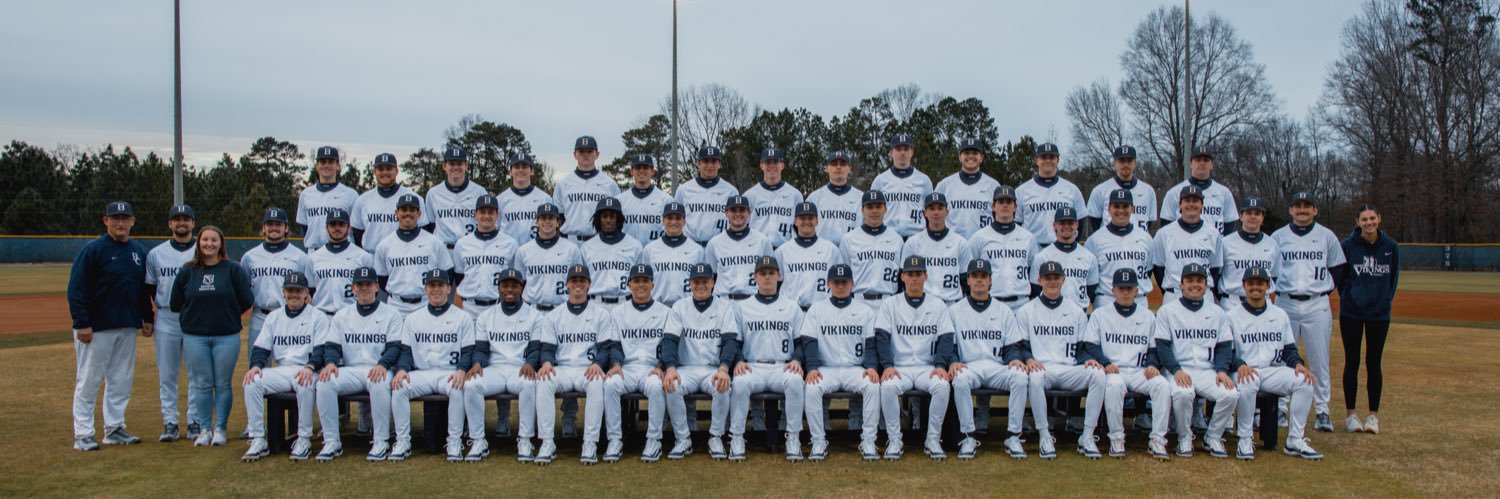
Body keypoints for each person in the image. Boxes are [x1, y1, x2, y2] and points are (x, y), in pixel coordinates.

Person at [69, 200, 152, 451]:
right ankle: (83, 433)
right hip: (96, 328)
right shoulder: (93, 250)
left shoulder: (138, 251)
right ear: (106, 221)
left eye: (125, 218)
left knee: (120, 380)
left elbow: (142, 289)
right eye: (115, 218)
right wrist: (82, 322)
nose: (120, 222)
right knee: (89, 379)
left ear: (132, 221)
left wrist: (147, 317)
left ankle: (114, 428)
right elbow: (76, 289)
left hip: (126, 326)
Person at [171, 225, 254, 448]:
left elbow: (246, 299)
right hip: (195, 336)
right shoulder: (187, 270)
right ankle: (204, 428)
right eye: (205, 240)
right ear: (199, 243)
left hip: (226, 336)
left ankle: (221, 429)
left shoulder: (233, 269)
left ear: (221, 244)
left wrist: (225, 314)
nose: (209, 244)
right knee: (202, 384)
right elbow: (176, 302)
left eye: (213, 240)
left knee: (223, 383)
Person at [1227, 267, 1322, 460]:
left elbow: (1289, 349)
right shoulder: (1231, 316)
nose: (1256, 287)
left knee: (1305, 381)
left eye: (1260, 283)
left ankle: (1295, 439)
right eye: (1251, 283)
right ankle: (1245, 438)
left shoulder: (1279, 314)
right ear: (1243, 286)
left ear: (1268, 286)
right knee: (1249, 380)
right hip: (1242, 370)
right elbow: (1226, 352)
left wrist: (1297, 364)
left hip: (1271, 371)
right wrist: (1239, 365)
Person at [1013, 261, 1105, 460]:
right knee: (1035, 378)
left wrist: (1088, 360)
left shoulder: (1076, 311)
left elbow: (1081, 349)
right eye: (1048, 278)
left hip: (1069, 368)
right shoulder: (1026, 311)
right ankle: (1044, 435)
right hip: (1042, 369)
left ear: (1063, 280)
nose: (1052, 281)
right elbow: (1022, 346)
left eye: (1056, 278)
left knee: (1098, 374)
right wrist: (1028, 359)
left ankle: (1088, 436)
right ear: (1039, 280)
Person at [1271, 192, 1347, 432]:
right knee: (1281, 357)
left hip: (1317, 302)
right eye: (1297, 206)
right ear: (1290, 210)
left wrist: (1320, 289)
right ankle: (1282, 407)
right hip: (1285, 301)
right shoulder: (1278, 237)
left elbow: (1338, 270)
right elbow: (1270, 271)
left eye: (1307, 206)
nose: (1302, 210)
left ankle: (1322, 410)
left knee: (1319, 359)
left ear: (1315, 210)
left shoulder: (1327, 236)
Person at [313, 267, 402, 461]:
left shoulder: (391, 313)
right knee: (324, 382)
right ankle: (331, 441)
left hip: (379, 368)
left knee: (379, 383)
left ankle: (381, 440)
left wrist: (383, 364)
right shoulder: (342, 315)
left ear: (377, 286)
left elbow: (394, 347)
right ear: (353, 287)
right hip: (352, 370)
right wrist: (330, 363)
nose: (364, 288)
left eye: (368, 284)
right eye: (360, 284)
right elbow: (332, 346)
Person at [1082, 269, 1173, 459]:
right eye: (1121, 288)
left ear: (1136, 291)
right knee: (1114, 387)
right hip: (1114, 371)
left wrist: (1152, 364)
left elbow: (1154, 348)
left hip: (1140, 371)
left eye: (1129, 288)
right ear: (1113, 290)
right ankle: (1116, 438)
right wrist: (1105, 362)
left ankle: (1158, 439)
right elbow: (1090, 344)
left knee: (1162, 385)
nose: (1125, 292)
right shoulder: (1100, 314)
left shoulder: (1148, 316)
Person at [872, 256, 955, 460]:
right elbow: (882, 338)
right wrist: (888, 365)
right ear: (902, 277)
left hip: (927, 367)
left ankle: (933, 438)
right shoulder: (890, 304)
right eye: (910, 274)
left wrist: (941, 364)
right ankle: (894, 439)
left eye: (918, 274)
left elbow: (946, 338)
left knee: (942, 386)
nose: (914, 278)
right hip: (900, 367)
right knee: (888, 387)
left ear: (926, 276)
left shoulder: (938, 305)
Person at [1152, 263, 1238, 458]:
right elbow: (1162, 346)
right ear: (1181, 284)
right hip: (1178, 369)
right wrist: (1176, 370)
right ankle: (1184, 436)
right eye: (1190, 280)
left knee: (1231, 394)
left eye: (1199, 280)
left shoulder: (1217, 312)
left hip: (1208, 370)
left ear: (1206, 285)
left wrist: (1222, 371)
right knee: (1183, 393)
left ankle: (1213, 436)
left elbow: (1225, 346)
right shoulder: (1168, 311)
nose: (1194, 284)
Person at [947, 259, 1030, 460]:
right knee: (959, 379)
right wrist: (953, 360)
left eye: (983, 276)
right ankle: (967, 435)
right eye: (975, 276)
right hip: (970, 366)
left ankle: (1013, 435)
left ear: (990, 280)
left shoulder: (1004, 310)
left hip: (996, 367)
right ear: (968, 280)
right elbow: (949, 344)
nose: (979, 281)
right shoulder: (955, 310)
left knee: (1019, 376)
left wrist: (1015, 359)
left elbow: (1012, 346)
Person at [660, 263, 744, 460]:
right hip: (686, 368)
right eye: (696, 282)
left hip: (712, 368)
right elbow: (669, 341)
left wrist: (724, 368)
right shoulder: (680, 306)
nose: (701, 285)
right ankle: (683, 439)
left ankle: (715, 436)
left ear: (713, 283)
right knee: (671, 384)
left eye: (705, 281)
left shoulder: (724, 307)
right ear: (690, 283)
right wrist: (670, 369)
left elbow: (730, 341)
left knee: (722, 385)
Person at [240, 272, 327, 462]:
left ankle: (303, 438)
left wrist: (311, 367)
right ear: (283, 292)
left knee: (304, 385)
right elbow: (261, 347)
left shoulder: (318, 316)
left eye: (298, 290)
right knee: (251, 381)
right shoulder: (274, 317)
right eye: (289, 290)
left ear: (306, 293)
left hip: (307, 369)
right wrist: (255, 366)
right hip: (282, 369)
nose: (293, 294)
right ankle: (257, 438)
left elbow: (321, 350)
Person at [533, 264, 615, 465]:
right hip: (562, 369)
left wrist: (598, 363)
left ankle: (590, 442)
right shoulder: (554, 315)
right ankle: (547, 442)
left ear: (589, 285)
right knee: (543, 381)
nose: (578, 284)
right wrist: (546, 363)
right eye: (574, 281)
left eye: (582, 281)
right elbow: (547, 348)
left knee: (597, 383)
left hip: (586, 369)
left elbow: (605, 348)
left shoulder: (601, 313)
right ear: (567, 284)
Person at [799, 264, 881, 461]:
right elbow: (809, 342)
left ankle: (869, 440)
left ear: (852, 284)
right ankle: (818, 440)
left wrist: (871, 366)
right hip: (827, 369)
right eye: (836, 282)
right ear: (829, 284)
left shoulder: (865, 310)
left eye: (844, 282)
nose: (841, 286)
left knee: (872, 385)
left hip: (855, 368)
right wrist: (811, 368)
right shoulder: (817, 310)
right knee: (811, 388)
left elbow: (870, 345)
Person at [388, 269, 473, 462]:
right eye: (432, 286)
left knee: (458, 388)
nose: (436, 290)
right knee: (399, 387)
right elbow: (406, 352)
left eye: (440, 285)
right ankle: (403, 441)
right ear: (425, 289)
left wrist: (461, 370)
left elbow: (468, 351)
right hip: (423, 373)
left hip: (449, 373)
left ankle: (454, 440)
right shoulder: (412, 318)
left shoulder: (463, 317)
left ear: (449, 288)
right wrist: (401, 370)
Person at [599, 265, 681, 462]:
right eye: (636, 281)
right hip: (627, 368)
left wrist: (661, 366)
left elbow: (669, 344)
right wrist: (616, 364)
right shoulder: (618, 312)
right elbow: (615, 343)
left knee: (655, 386)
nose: (641, 284)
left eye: (645, 281)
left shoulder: (665, 311)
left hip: (652, 369)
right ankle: (615, 439)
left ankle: (654, 439)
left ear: (653, 284)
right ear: (629, 285)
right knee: (610, 384)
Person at [461, 268, 543, 462]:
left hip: (519, 368)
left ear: (522, 288)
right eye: (505, 285)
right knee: (472, 384)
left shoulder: (534, 315)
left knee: (529, 384)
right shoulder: (486, 316)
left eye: (515, 285)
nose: (509, 289)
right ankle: (478, 439)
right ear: (498, 287)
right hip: (495, 369)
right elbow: (481, 348)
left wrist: (531, 362)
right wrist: (478, 363)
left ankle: (525, 439)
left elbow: (535, 348)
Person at [730, 257, 807, 461]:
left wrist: (797, 360)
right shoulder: (742, 307)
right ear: (755, 277)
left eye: (771, 273)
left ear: (779, 276)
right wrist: (738, 360)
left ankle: (793, 437)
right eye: (762, 273)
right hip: (752, 366)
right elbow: (734, 342)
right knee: (739, 384)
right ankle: (737, 437)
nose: (767, 277)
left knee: (795, 381)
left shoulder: (792, 306)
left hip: (781, 366)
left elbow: (801, 342)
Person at [1336, 203, 1399, 435]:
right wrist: (1351, 299)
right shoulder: (1348, 246)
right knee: (1352, 362)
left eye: (1372, 218)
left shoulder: (1391, 247)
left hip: (1379, 315)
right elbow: (1341, 280)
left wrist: (1382, 302)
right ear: (1357, 222)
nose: (1369, 223)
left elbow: (1392, 280)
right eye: (1364, 219)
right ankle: (1351, 415)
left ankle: (1373, 416)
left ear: (1379, 218)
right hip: (1351, 313)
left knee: (1374, 363)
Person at [144, 204, 199, 442]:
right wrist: (148, 317)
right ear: (169, 224)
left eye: (186, 219)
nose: (182, 223)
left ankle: (195, 421)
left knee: (197, 373)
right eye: (177, 219)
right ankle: (170, 422)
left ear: (193, 224)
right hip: (167, 316)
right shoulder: (156, 254)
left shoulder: (202, 250)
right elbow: (149, 288)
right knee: (167, 373)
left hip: (196, 316)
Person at [241, 207, 313, 365]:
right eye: (270, 224)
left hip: (290, 317)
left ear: (286, 228)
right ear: (264, 227)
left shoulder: (300, 257)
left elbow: (309, 291)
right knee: (257, 368)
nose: (274, 228)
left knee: (292, 367)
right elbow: (243, 290)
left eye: (278, 224)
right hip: (260, 316)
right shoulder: (249, 257)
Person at [373, 194, 455, 316]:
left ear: (419, 214)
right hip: (396, 306)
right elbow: (381, 278)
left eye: (412, 210)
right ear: (396, 213)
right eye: (404, 210)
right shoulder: (385, 245)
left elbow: (447, 273)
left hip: (426, 303)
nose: (408, 213)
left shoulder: (434, 242)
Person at [966, 185, 1038, 312]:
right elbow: (969, 272)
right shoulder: (979, 237)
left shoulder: (1028, 238)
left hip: (1021, 304)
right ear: (993, 206)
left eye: (1009, 202)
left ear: (1015, 207)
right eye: (1001, 202)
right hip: (991, 303)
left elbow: (1034, 275)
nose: (1005, 205)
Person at [1150, 185, 1225, 303]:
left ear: (1202, 205)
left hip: (1204, 295)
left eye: (1195, 200)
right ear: (1180, 204)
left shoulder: (1213, 233)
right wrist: (1169, 291)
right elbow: (1158, 267)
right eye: (1187, 200)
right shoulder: (1164, 233)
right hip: (1174, 294)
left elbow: (1215, 268)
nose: (1191, 204)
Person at [1084, 190, 1154, 310]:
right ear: (1109, 209)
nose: (1121, 210)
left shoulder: (1145, 238)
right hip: (1106, 300)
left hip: (1139, 300)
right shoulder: (1094, 240)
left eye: (1125, 206)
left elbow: (1148, 270)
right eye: (1116, 206)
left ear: (1132, 208)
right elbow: (1090, 278)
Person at [451, 195, 518, 318]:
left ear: (497, 215)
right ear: (475, 214)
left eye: (491, 212)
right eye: (482, 212)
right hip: (469, 307)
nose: (486, 216)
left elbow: (516, 279)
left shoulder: (510, 243)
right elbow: (459, 278)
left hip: (498, 306)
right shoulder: (462, 244)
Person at [900, 193, 972, 304]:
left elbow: (966, 281)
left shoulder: (960, 243)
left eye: (940, 208)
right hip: (922, 304)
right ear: (925, 213)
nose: (936, 212)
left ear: (947, 212)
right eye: (932, 209)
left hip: (950, 303)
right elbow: (903, 279)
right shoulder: (913, 243)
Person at [775, 202, 847, 309]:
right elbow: (775, 283)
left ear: (817, 221)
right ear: (795, 221)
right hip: (790, 311)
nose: (806, 221)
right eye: (802, 218)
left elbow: (841, 282)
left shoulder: (831, 250)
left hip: (823, 310)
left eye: (810, 218)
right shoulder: (782, 251)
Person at [351, 152, 430, 248]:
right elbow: (357, 232)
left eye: (389, 168)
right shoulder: (363, 200)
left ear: (396, 171)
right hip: (372, 256)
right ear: (374, 172)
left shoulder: (414, 198)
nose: (385, 172)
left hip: (404, 255)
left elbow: (424, 230)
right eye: (380, 169)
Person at [513, 203, 582, 313]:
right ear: (537, 221)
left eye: (551, 218)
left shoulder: (571, 249)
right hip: (532, 310)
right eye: (543, 218)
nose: (547, 222)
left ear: (558, 222)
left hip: (562, 309)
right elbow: (520, 284)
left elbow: (578, 283)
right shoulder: (524, 251)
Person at [704, 195, 774, 300]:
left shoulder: (762, 241)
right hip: (725, 301)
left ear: (749, 213)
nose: (738, 214)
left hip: (754, 301)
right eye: (733, 210)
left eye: (742, 210)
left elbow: (770, 275)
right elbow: (711, 276)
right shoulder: (714, 243)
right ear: (726, 213)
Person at [1016, 143, 1086, 246]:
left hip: (1062, 248)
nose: (1048, 160)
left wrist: (1071, 244)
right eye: (1044, 157)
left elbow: (1080, 220)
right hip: (1033, 249)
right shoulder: (1022, 191)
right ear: (1037, 160)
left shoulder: (1071, 189)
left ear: (1057, 160)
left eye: (1052, 157)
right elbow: (1016, 223)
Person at [425, 145, 489, 258]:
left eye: (459, 163)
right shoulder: (433, 193)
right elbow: (431, 225)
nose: (456, 167)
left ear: (466, 166)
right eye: (452, 163)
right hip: (443, 251)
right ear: (444, 166)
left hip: (471, 250)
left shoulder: (479, 192)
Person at [841, 190, 902, 308]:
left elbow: (901, 276)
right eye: (869, 207)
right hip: (858, 300)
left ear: (885, 209)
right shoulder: (849, 239)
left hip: (888, 301)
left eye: (878, 206)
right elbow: (844, 275)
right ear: (862, 210)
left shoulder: (896, 239)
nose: (874, 211)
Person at [307, 208, 373, 316]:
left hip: (352, 316)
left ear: (349, 227)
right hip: (323, 316)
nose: (337, 228)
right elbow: (310, 290)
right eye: (333, 224)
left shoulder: (363, 257)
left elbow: (371, 290)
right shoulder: (313, 258)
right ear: (326, 228)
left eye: (341, 224)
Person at [1029, 207, 1098, 310]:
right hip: (1049, 313)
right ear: (1054, 225)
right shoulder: (1042, 257)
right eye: (1062, 223)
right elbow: (1035, 290)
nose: (1066, 226)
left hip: (1080, 313)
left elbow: (1091, 289)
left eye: (1070, 223)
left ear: (1077, 225)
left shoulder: (1089, 257)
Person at [555, 135, 621, 242]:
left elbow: (617, 217)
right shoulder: (563, 184)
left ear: (597, 154)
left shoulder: (609, 184)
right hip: (570, 241)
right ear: (574, 154)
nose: (585, 155)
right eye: (581, 151)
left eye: (590, 151)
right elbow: (558, 217)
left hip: (599, 240)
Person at [868, 133, 933, 238]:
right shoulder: (880, 180)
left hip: (916, 236)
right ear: (891, 152)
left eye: (906, 149)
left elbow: (930, 213)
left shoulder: (924, 180)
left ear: (912, 152)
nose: (902, 153)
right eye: (898, 149)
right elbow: (871, 212)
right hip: (887, 236)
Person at [1219, 198, 1280, 310]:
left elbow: (1274, 277)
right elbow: (1216, 274)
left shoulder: (1272, 244)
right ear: (1241, 216)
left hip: (1263, 303)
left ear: (1262, 218)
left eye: (1257, 213)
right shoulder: (1225, 243)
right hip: (1232, 303)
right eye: (1248, 213)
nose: (1253, 217)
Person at [581, 197, 642, 309]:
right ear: (598, 219)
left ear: (618, 219)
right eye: (604, 216)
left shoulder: (635, 246)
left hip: (625, 303)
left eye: (612, 216)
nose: (608, 220)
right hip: (595, 304)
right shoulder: (587, 247)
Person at [1159, 148, 1238, 235]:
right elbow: (1166, 225)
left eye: (1206, 160)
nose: (1202, 163)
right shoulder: (1174, 193)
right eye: (1198, 160)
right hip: (1183, 245)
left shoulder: (1224, 193)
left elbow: (1229, 225)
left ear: (1212, 164)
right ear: (1190, 164)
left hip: (1215, 245)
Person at [639, 202, 704, 307]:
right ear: (663, 220)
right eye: (669, 218)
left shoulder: (697, 250)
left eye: (678, 218)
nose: (673, 222)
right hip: (657, 306)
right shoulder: (650, 249)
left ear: (684, 221)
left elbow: (702, 282)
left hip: (688, 307)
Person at [935, 137, 1001, 238]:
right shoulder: (945, 185)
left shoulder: (993, 186)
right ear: (960, 157)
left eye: (975, 153)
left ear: (981, 157)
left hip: (985, 242)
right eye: (966, 153)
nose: (971, 156)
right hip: (952, 244)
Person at [297, 146, 359, 251]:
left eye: (330, 162)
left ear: (338, 166)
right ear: (317, 165)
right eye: (323, 162)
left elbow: (357, 229)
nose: (326, 165)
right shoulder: (306, 194)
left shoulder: (350, 194)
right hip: (314, 251)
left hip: (345, 251)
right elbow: (305, 227)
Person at [675, 145, 740, 245]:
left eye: (713, 161)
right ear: (698, 164)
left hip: (721, 246)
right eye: (705, 161)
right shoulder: (684, 190)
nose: (710, 165)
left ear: (719, 164)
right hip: (690, 246)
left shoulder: (731, 191)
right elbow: (676, 219)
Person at [1085, 145, 1157, 234]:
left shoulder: (1148, 191)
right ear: (1115, 163)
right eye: (1122, 160)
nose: (1126, 164)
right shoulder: (1100, 190)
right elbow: (1094, 223)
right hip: (1109, 243)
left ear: (1135, 163)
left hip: (1139, 244)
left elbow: (1149, 222)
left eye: (1129, 160)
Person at [745, 147, 803, 247]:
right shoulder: (749, 195)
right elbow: (742, 225)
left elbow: (800, 228)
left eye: (775, 162)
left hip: (785, 249)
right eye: (768, 162)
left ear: (782, 165)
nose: (772, 166)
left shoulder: (795, 195)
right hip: (757, 249)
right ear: (761, 165)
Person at [804, 151, 863, 246]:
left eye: (843, 164)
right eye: (834, 164)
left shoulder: (861, 198)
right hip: (822, 252)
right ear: (826, 168)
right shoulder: (814, 198)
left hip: (852, 250)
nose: (838, 167)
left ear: (849, 169)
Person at [615, 153, 673, 245]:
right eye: (638, 167)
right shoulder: (620, 200)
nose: (641, 171)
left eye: (645, 167)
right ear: (631, 171)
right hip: (627, 251)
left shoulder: (666, 200)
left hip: (656, 252)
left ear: (652, 171)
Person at [496, 153, 554, 244]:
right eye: (517, 167)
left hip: (536, 251)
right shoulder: (500, 200)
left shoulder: (544, 199)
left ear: (532, 171)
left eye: (524, 166)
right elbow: (496, 229)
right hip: (508, 251)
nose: (520, 170)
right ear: (510, 172)